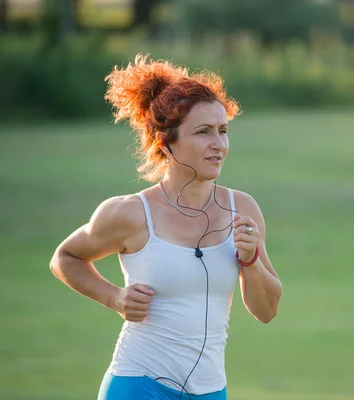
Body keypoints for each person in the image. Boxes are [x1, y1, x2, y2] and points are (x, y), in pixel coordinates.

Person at [49, 54, 283, 400]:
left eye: (223, 131)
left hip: (211, 390)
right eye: (203, 132)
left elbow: (267, 311)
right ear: (166, 143)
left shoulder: (242, 209)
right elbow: (64, 257)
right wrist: (115, 298)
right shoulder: (129, 213)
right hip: (137, 384)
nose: (219, 144)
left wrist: (249, 260)